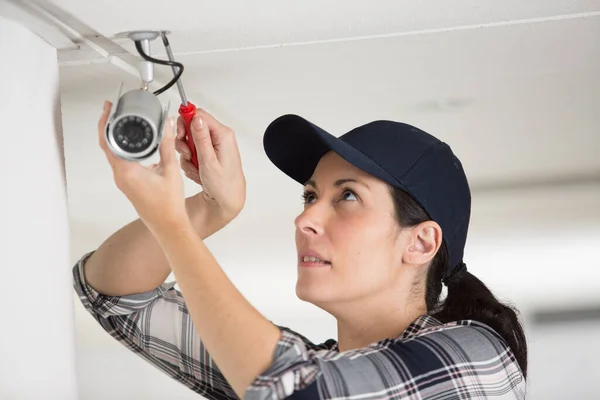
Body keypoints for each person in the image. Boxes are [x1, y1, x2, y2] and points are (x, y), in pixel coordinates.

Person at [73, 100, 528, 400]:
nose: (305, 219)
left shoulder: (477, 357)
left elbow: (294, 389)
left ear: (421, 242)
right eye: (310, 196)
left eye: (347, 196)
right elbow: (115, 296)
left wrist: (172, 226)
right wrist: (209, 211)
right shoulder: (314, 370)